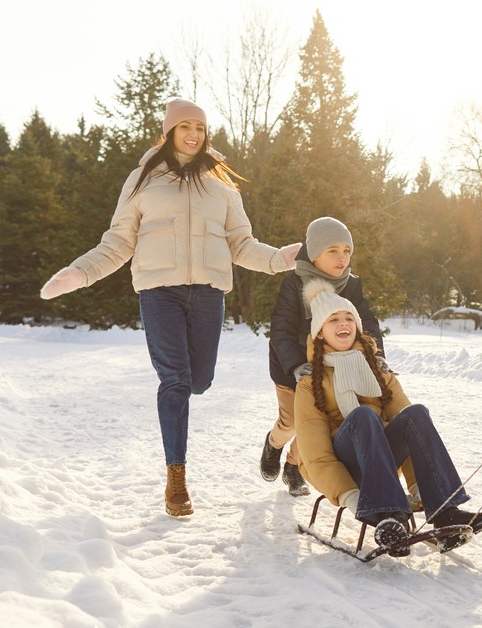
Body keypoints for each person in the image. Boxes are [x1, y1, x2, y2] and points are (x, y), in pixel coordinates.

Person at [39, 98, 302, 518]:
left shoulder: (222, 187)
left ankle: (180, 442)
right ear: (169, 132)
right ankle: (176, 477)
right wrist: (80, 272)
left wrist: (280, 259)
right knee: (176, 381)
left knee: (200, 381)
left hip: (208, 295)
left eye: (199, 127)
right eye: (185, 127)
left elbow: (241, 244)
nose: (194, 134)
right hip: (160, 294)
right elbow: (119, 242)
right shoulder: (143, 180)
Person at [294, 279, 482, 555]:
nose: (343, 323)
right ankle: (388, 516)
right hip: (345, 465)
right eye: (333, 319)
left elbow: (409, 430)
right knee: (364, 416)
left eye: (348, 317)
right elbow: (315, 455)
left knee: (415, 413)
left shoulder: (378, 371)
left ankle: (445, 512)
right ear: (320, 332)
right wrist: (351, 497)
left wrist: (417, 486)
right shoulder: (310, 383)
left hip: (380, 462)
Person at [257, 216, 385, 498]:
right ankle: (273, 443)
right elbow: (280, 329)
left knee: (316, 424)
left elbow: (368, 322)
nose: (342, 258)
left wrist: (377, 356)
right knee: (291, 422)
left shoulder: (351, 285)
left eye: (346, 251)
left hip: (331, 368)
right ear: (314, 254)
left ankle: (294, 466)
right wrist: (294, 364)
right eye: (333, 251)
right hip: (293, 368)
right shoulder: (294, 284)